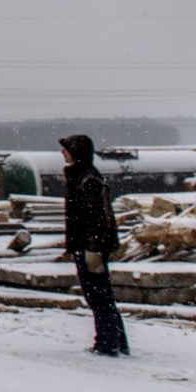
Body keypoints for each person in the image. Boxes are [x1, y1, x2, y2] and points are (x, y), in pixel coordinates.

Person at [60, 134, 128, 357]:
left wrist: (93, 248)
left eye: (66, 149)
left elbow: (97, 218)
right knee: (101, 295)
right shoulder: (81, 176)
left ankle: (107, 343)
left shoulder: (87, 179)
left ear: (76, 152)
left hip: (92, 247)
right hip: (88, 244)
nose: (62, 153)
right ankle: (116, 340)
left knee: (98, 295)